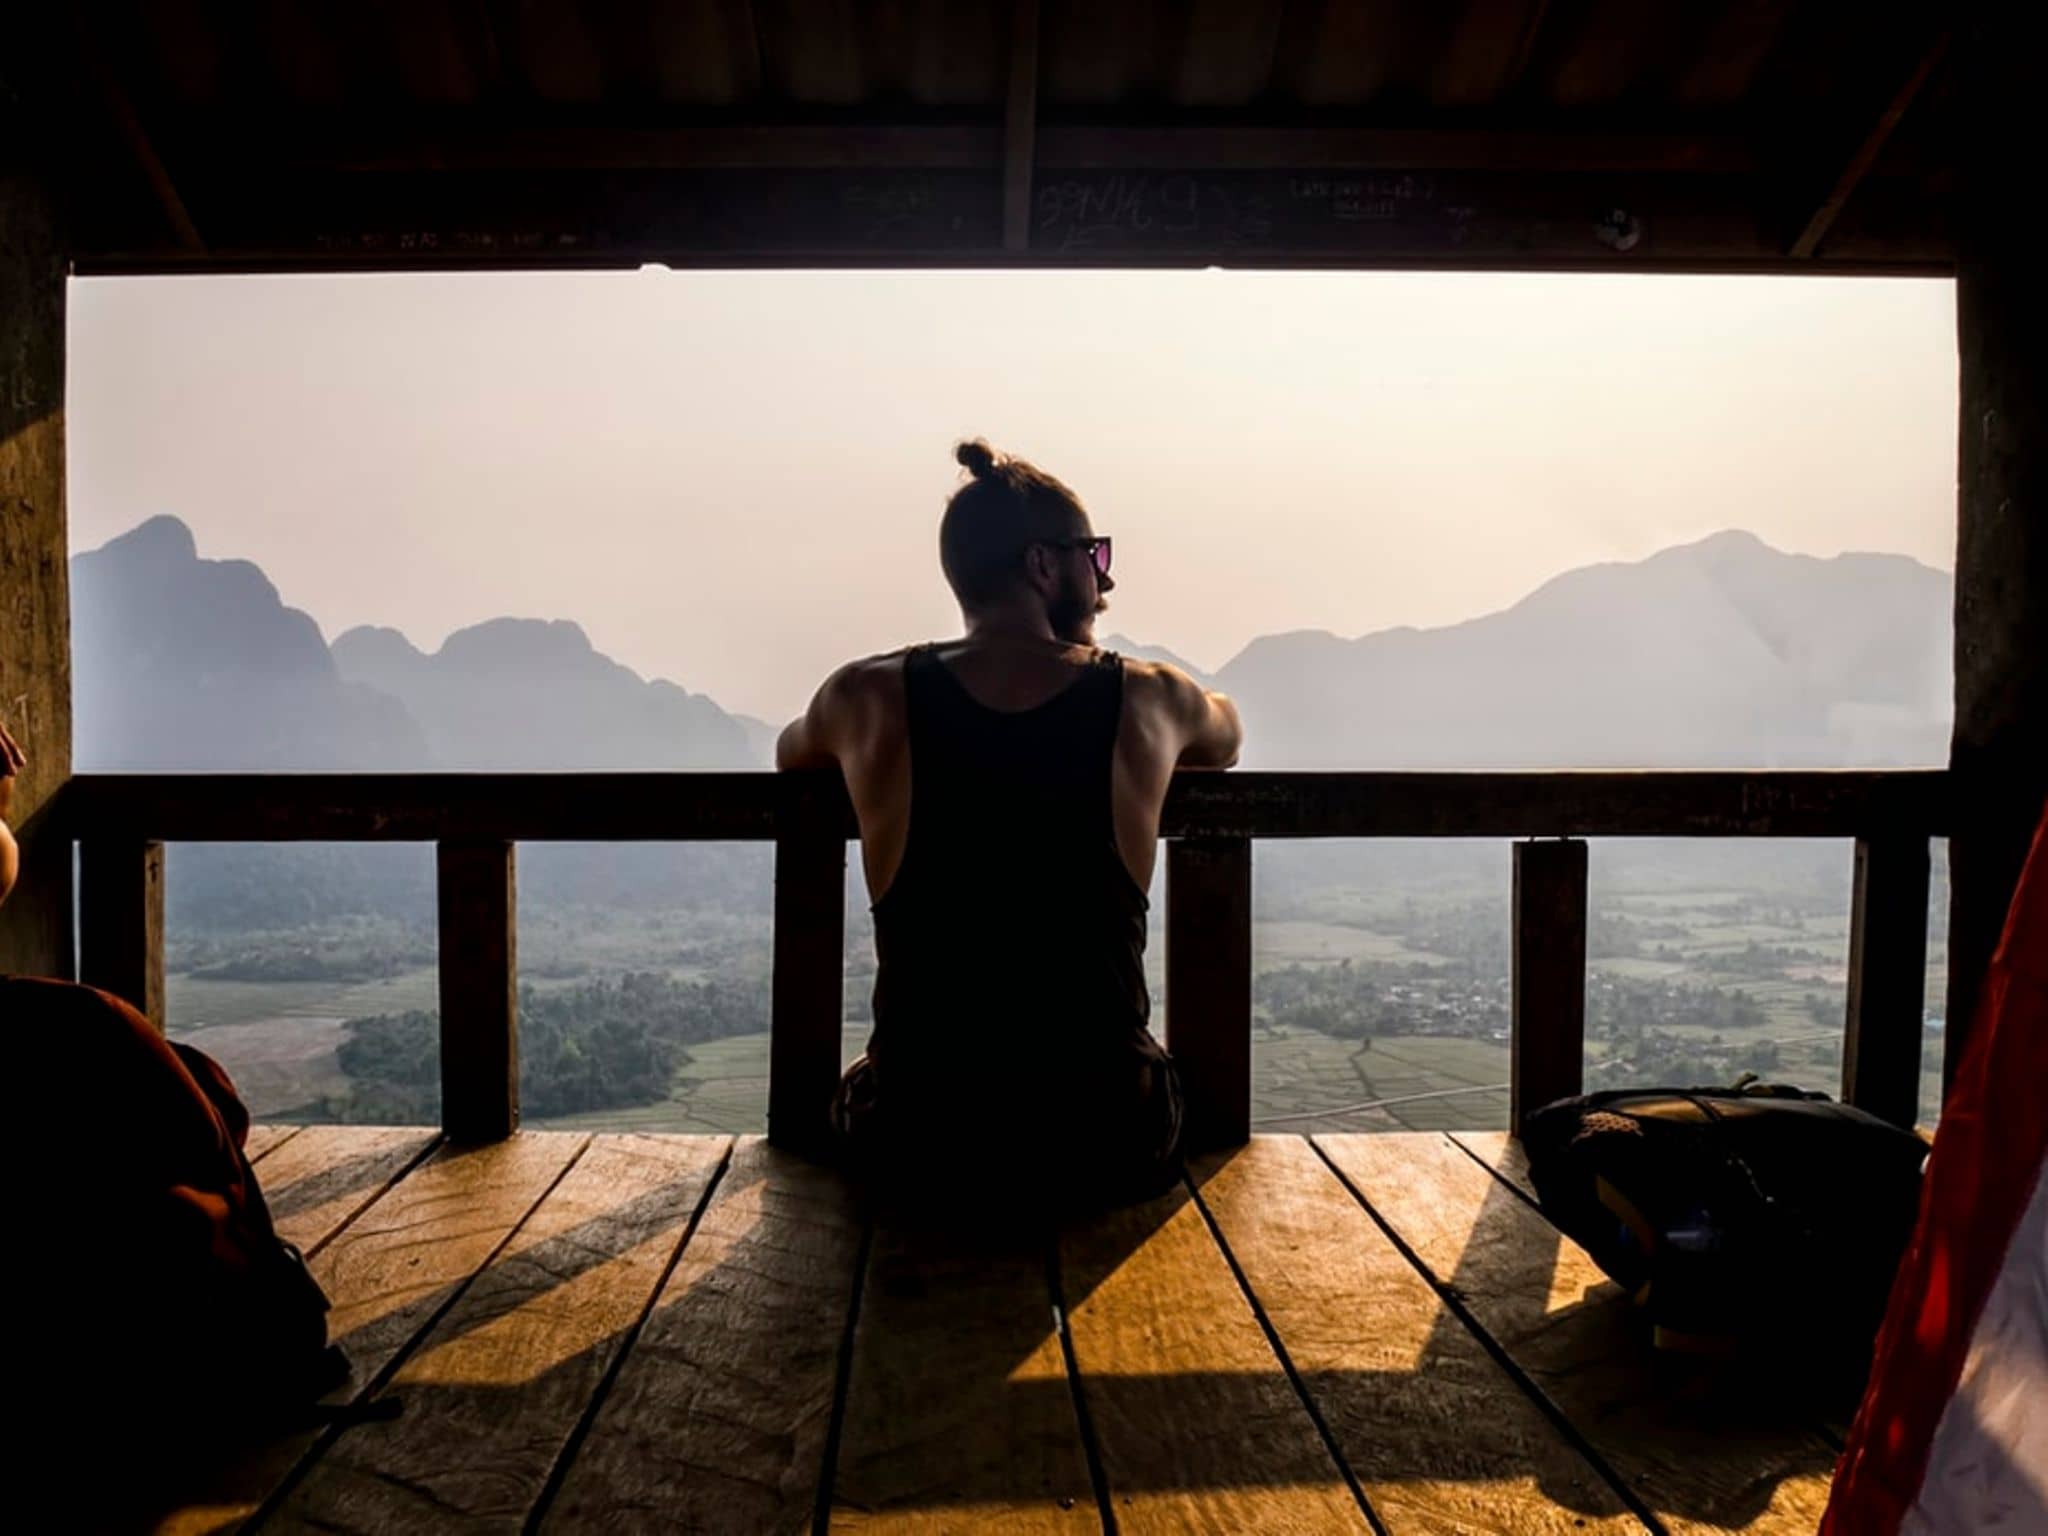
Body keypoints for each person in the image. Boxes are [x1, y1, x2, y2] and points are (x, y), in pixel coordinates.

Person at [777, 439, 1242, 1212]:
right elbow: (1228, 736)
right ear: (1042, 566)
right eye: (1092, 556)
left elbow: (791, 751)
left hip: (916, 1137)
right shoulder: (1150, 699)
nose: (1106, 579)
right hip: (1107, 1137)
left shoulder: (864, 696)